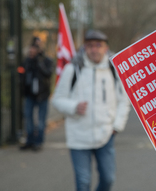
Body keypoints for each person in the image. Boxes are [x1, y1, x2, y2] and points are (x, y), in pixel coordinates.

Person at [52, 30, 130, 191]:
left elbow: (124, 101)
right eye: (89, 46)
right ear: (84, 47)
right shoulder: (73, 69)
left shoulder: (114, 69)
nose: (94, 49)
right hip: (79, 136)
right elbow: (57, 99)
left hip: (106, 135)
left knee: (108, 179)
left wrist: (117, 126)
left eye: (98, 45)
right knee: (83, 182)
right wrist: (73, 106)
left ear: (105, 47)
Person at [20, 40, 53, 151]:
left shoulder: (46, 60)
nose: (32, 51)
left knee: (41, 120)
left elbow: (48, 73)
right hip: (30, 94)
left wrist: (39, 62)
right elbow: (22, 74)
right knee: (28, 117)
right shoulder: (27, 61)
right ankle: (29, 140)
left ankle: (38, 142)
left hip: (42, 95)